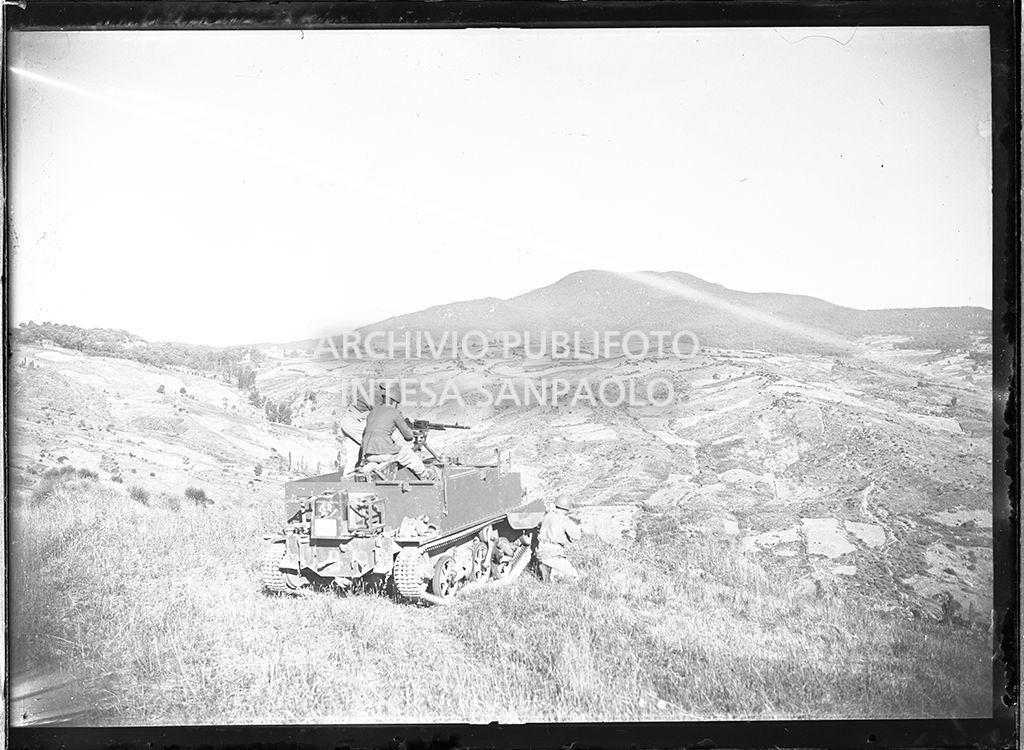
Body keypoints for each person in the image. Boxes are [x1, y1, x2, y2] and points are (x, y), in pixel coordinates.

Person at [360, 386, 437, 481]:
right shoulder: (395, 412)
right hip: (384, 453)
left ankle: (370, 468)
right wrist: (414, 433)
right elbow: (408, 437)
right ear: (394, 402)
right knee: (409, 455)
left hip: (369, 454)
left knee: (384, 459)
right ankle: (425, 475)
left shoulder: (372, 412)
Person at [338, 382, 386, 475]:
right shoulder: (377, 396)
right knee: (376, 448)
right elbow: (379, 416)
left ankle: (347, 480)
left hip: (348, 422)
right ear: (383, 390)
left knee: (353, 458)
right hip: (355, 423)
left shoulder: (374, 392)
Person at [536, 495, 582, 581]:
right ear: (567, 508)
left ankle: (549, 575)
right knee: (575, 577)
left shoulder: (547, 516)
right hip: (553, 554)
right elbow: (577, 536)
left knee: (554, 577)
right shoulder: (563, 519)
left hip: (540, 551)